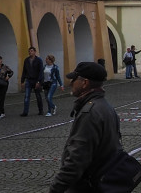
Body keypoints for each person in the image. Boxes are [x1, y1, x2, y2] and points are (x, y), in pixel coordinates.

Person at [49, 62, 125, 193]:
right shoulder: (105, 106)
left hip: (88, 185)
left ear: (85, 83)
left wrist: (56, 189)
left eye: (74, 79)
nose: (71, 83)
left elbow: (76, 159)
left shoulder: (89, 113)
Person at [20, 47, 45, 117]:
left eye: (31, 51)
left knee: (38, 96)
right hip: (29, 80)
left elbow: (41, 72)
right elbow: (24, 71)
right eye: (29, 51)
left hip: (36, 80)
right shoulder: (26, 60)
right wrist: (22, 81)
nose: (30, 52)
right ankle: (25, 112)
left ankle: (41, 110)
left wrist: (39, 81)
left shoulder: (39, 60)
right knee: (27, 96)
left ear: (34, 52)